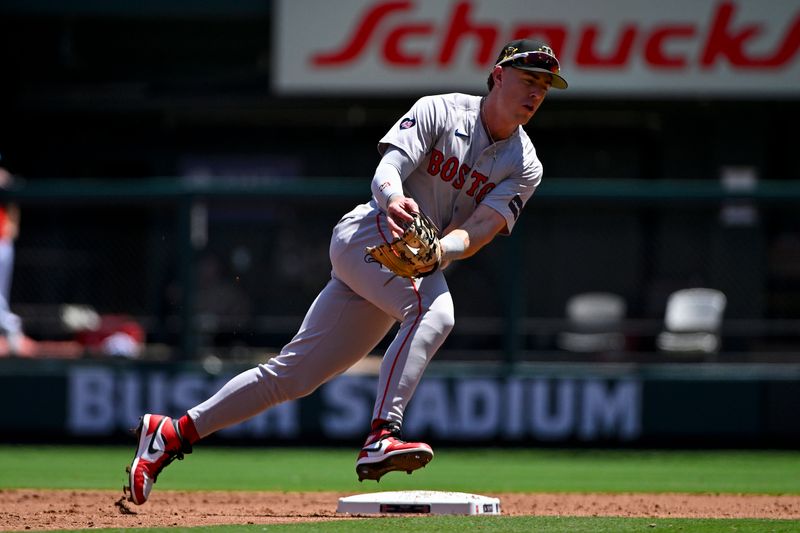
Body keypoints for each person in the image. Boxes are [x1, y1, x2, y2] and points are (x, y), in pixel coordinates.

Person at [124, 39, 568, 505]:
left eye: (544, 85)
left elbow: (479, 229)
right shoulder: (442, 110)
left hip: (411, 262)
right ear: (498, 75)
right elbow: (388, 168)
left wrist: (441, 251)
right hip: (368, 233)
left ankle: (169, 434)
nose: (536, 92)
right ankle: (383, 433)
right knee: (436, 314)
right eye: (528, 78)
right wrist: (395, 199)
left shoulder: (526, 164)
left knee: (291, 377)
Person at [0, 163, 24, 355]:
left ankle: (10, 327)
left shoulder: (4, 177)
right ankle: (10, 326)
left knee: (1, 292)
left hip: (2, 241)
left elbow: (13, 201)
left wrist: (13, 224)